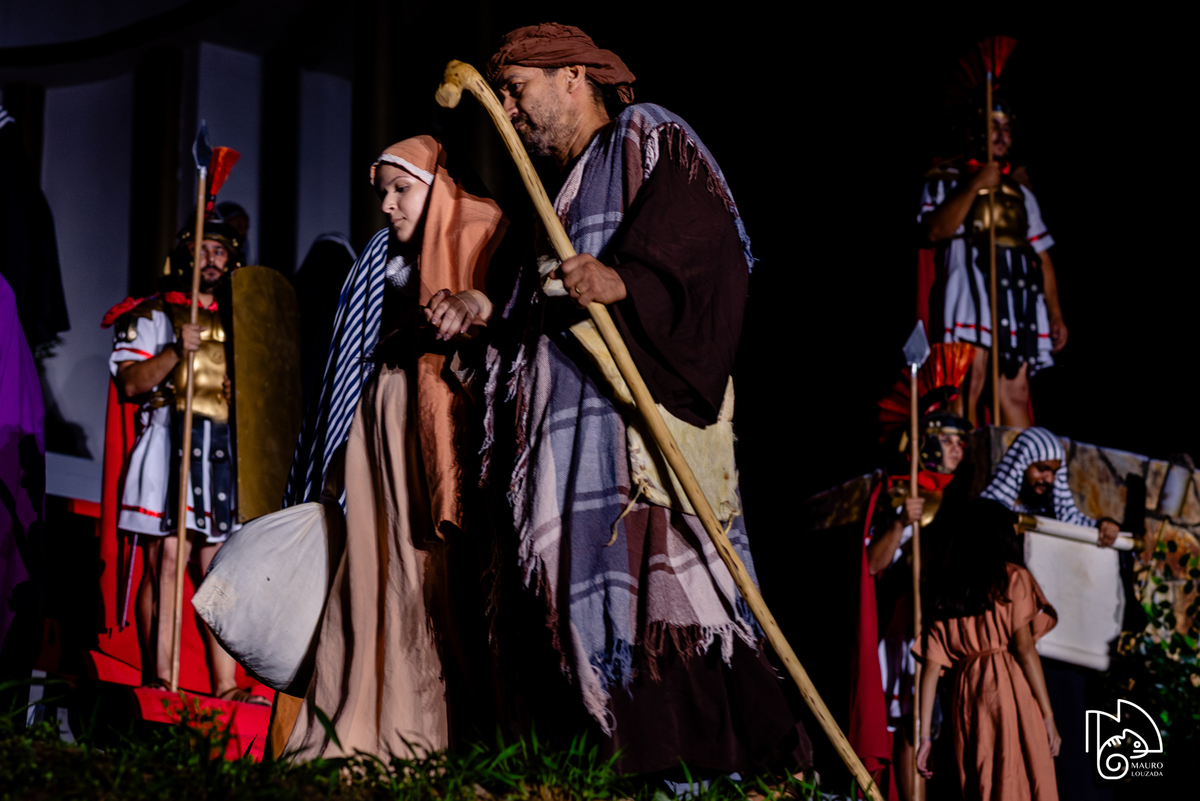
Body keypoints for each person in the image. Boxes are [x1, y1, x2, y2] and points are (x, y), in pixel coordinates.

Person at [484, 23, 810, 777]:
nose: (507, 110)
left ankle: (716, 772)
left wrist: (624, 278)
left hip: (630, 438)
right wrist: (484, 312)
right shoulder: (555, 190)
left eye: (516, 90)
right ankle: (615, 767)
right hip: (568, 439)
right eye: (500, 96)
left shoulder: (642, 131)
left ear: (573, 75)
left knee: (665, 588)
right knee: (577, 604)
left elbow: (706, 235)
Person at [279, 136, 506, 760]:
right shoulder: (380, 256)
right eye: (383, 192)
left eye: (401, 189)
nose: (386, 205)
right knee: (371, 564)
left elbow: (508, 312)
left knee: (428, 569)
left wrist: (473, 306)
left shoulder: (481, 230)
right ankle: (364, 730)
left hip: (437, 425)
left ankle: (433, 732)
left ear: (439, 187)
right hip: (379, 417)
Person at [103, 209, 266, 703]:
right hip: (167, 446)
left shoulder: (241, 323)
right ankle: (161, 676)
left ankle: (226, 684)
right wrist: (176, 351)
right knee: (168, 558)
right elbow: (131, 384)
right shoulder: (152, 315)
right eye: (202, 250)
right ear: (183, 256)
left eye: (220, 251)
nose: (211, 259)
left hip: (219, 454)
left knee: (220, 568)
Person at [919, 86, 1065, 428]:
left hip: (1016, 296)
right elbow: (935, 231)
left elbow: (1041, 255)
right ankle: (967, 460)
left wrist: (1055, 313)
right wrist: (976, 185)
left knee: (1015, 393)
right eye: (993, 126)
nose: (1001, 135)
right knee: (968, 383)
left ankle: (1025, 461)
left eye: (1007, 127)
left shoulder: (1020, 192)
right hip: (969, 292)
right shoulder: (945, 180)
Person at [914, 499, 1061, 800]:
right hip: (1009, 687)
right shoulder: (1012, 576)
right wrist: (1048, 714)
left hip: (966, 694)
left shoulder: (946, 589)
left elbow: (931, 669)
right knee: (1021, 776)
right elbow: (1024, 648)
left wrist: (924, 736)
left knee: (984, 780)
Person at [862, 411, 970, 799]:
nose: (957, 448)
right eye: (948, 440)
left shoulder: (967, 492)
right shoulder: (900, 491)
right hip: (911, 627)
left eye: (961, 442)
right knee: (915, 722)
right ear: (926, 442)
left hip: (955, 625)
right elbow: (873, 565)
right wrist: (899, 523)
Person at [980, 426, 1119, 547]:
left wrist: (1105, 525)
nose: (1050, 479)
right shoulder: (986, 512)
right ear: (1021, 463)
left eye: (1054, 472)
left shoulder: (1051, 509)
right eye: (1042, 469)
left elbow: (1074, 522)